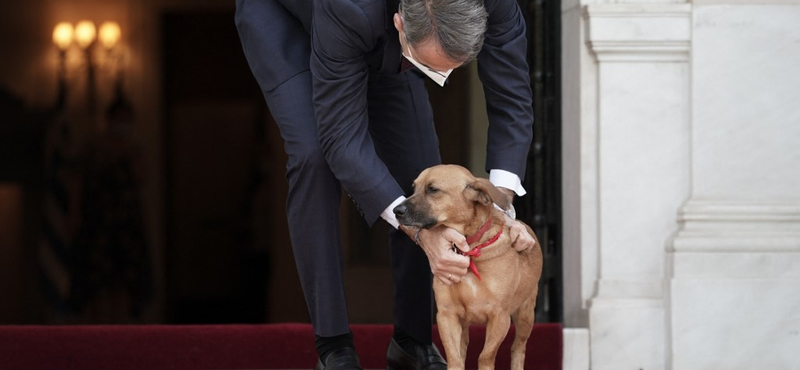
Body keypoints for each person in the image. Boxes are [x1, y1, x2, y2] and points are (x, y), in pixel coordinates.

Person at [235, 0, 535, 369]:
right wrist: (421, 233)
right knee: (314, 155)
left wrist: (501, 206)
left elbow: (512, 94)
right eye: (427, 67)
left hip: (381, 31)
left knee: (419, 165)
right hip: (285, 20)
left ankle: (413, 339)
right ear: (400, 24)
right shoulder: (350, 8)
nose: (436, 79)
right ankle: (334, 345)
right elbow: (342, 140)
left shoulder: (496, 5)